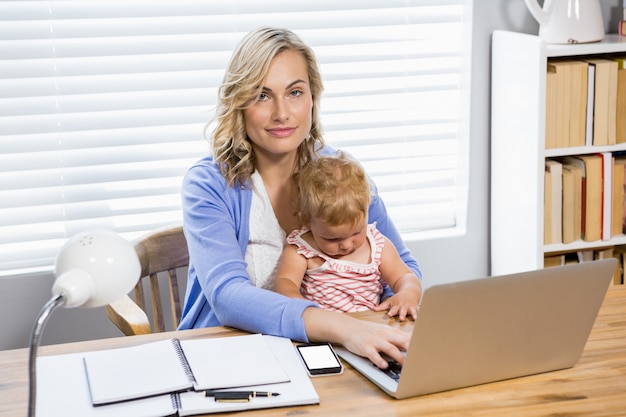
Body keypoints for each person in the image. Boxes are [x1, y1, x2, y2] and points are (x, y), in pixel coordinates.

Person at [177, 26, 422, 369]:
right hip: (229, 356)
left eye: (294, 92)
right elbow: (228, 297)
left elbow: (404, 268)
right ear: (239, 103)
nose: (282, 113)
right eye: (262, 95)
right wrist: (342, 327)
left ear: (313, 98)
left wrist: (383, 313)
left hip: (339, 355)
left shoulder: (342, 175)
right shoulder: (209, 184)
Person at [274, 153, 421, 321]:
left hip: (371, 327)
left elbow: (405, 277)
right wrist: (305, 310)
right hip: (323, 329)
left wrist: (407, 294)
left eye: (357, 232)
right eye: (332, 239)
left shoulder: (378, 245)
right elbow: (285, 283)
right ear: (307, 221)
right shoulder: (302, 250)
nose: (346, 245)